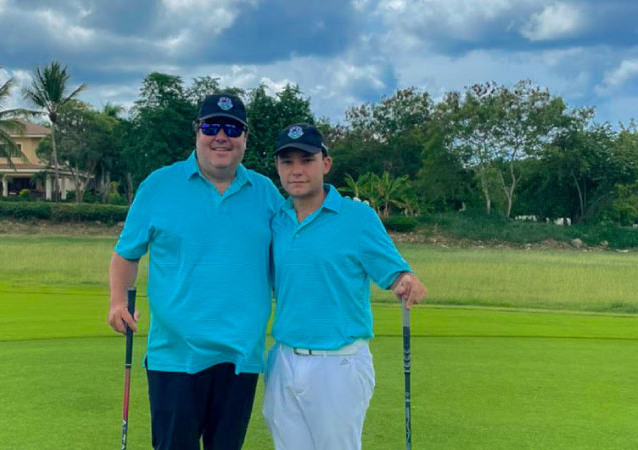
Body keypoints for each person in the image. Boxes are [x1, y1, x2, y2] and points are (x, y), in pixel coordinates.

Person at [107, 93, 283, 450]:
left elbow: (290, 258)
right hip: (175, 356)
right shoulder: (159, 185)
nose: (221, 136)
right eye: (211, 126)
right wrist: (116, 302)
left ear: (245, 137)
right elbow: (126, 255)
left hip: (241, 357)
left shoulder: (265, 192)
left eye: (233, 128)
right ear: (197, 131)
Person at [262, 123, 427, 450]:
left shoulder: (357, 217)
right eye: (287, 162)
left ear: (325, 164)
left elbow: (395, 272)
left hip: (338, 363)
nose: (296, 170)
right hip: (283, 359)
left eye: (306, 160)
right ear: (278, 168)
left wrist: (407, 280)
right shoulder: (276, 219)